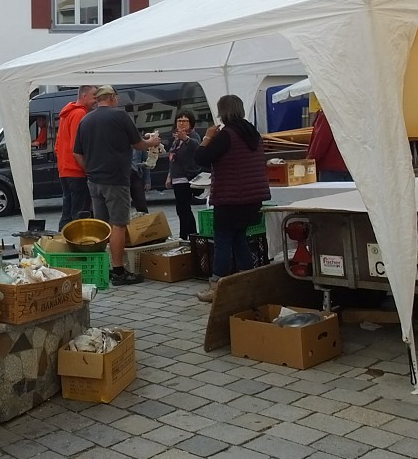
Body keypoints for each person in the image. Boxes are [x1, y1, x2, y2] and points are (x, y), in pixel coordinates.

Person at [73, 85, 161, 286]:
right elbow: (138, 144)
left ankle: (101, 268)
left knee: (101, 226)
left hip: (94, 180)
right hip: (116, 179)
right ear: (112, 97)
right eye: (116, 97)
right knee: (118, 224)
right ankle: (119, 271)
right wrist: (152, 141)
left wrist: (90, 170)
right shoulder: (120, 117)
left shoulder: (85, 120)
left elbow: (76, 153)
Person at [194, 95, 271, 302]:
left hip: (230, 198)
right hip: (253, 198)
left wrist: (208, 137)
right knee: (239, 240)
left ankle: (217, 287)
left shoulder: (226, 135)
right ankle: (249, 282)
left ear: (222, 112)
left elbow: (200, 158)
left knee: (223, 242)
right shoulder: (252, 133)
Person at [55, 85, 98, 230]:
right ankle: (76, 244)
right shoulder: (79, 114)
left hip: (65, 170)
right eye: (94, 96)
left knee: (68, 211)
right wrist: (88, 168)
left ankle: (61, 242)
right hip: (77, 171)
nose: (96, 100)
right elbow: (78, 146)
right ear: (84, 96)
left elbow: (58, 145)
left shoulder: (66, 114)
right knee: (79, 213)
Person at [165, 109, 202, 240]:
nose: (181, 123)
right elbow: (173, 158)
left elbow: (197, 147)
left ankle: (188, 235)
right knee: (181, 209)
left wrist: (185, 138)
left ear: (191, 123)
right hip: (177, 177)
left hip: (186, 178)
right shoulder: (176, 139)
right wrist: (170, 176)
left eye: (185, 121)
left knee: (183, 208)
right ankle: (187, 235)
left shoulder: (193, 136)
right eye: (179, 120)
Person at [306, 108, 352, 182]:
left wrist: (310, 159)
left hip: (331, 168)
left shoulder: (328, 114)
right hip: (351, 167)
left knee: (331, 192)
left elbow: (321, 140)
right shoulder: (351, 114)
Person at [129, 149, 150, 215]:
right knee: (122, 206)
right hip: (121, 177)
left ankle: (145, 223)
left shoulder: (138, 144)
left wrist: (147, 181)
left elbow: (146, 163)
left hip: (136, 176)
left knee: (141, 203)